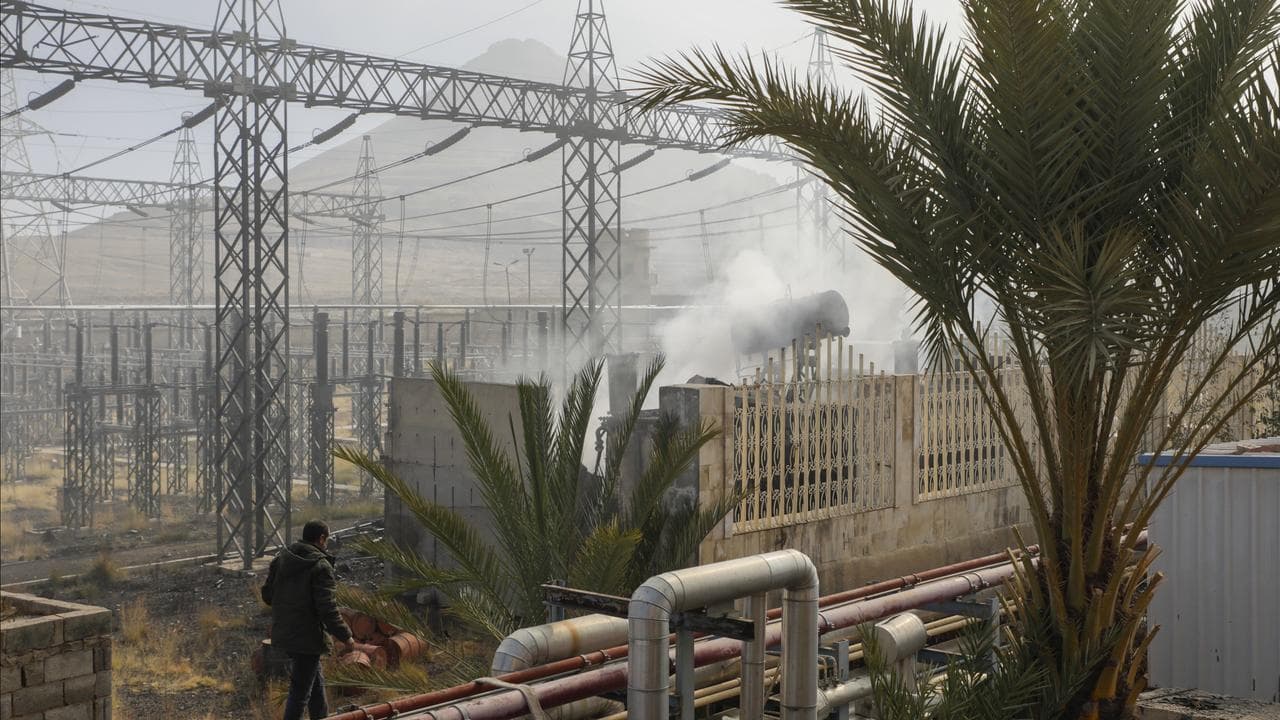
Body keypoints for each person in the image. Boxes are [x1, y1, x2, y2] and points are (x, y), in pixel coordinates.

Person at [261, 520, 353, 720]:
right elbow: (327, 609)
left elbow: (268, 596)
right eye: (326, 540)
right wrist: (346, 636)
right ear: (321, 539)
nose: (326, 544)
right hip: (307, 638)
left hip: (284, 633)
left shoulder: (282, 559)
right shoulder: (320, 566)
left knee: (315, 683)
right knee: (299, 694)